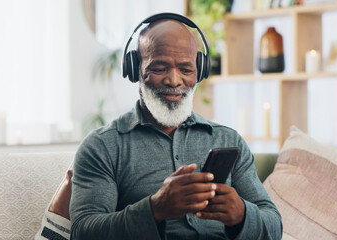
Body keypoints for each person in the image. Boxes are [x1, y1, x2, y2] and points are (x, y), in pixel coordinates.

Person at [70, 13, 282, 240]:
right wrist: (155, 208)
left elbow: (274, 226)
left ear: (199, 71)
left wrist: (241, 214)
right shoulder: (103, 146)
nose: (174, 80)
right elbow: (84, 231)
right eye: (159, 68)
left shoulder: (228, 140)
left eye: (186, 69)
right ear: (134, 69)